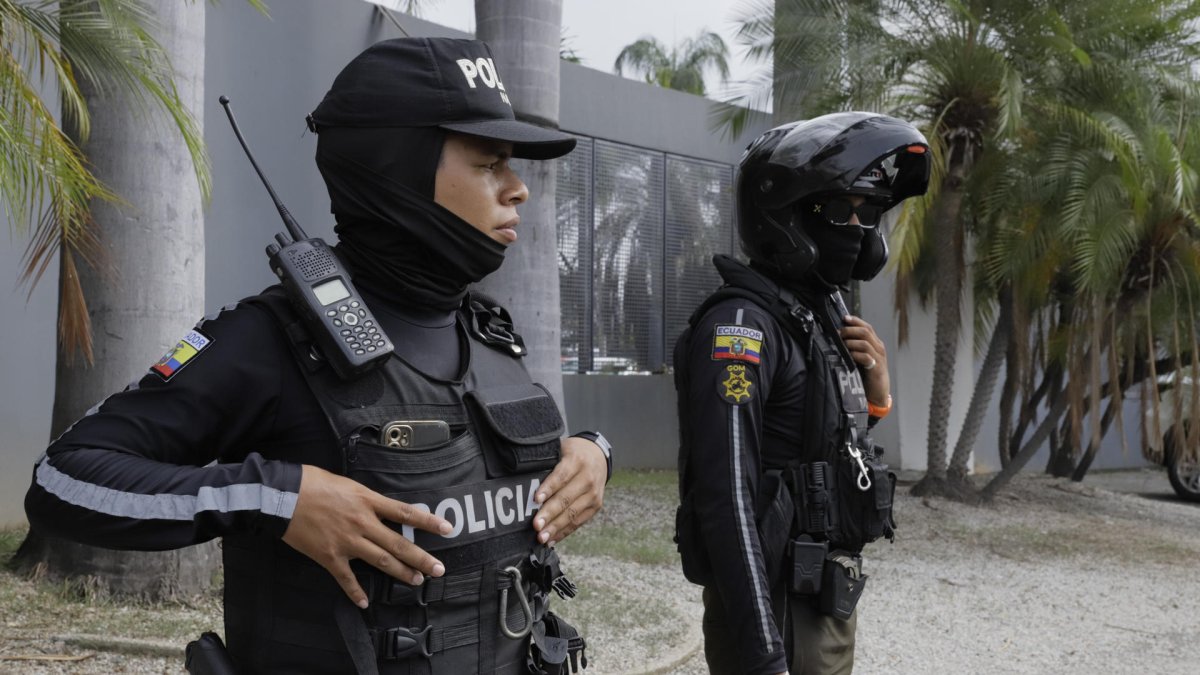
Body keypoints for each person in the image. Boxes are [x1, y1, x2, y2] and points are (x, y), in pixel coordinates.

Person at [24, 37, 612, 675]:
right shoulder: (269, 341)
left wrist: (592, 453)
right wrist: (271, 499)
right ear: (399, 168)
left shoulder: (489, 331)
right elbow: (65, 479)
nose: (518, 187)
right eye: (489, 162)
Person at [673, 112, 931, 675]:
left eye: (869, 213)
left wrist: (876, 397)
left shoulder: (817, 312)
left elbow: (817, 449)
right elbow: (726, 498)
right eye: (840, 210)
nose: (859, 228)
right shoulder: (741, 326)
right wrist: (764, 655)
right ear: (785, 216)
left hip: (820, 599)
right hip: (776, 605)